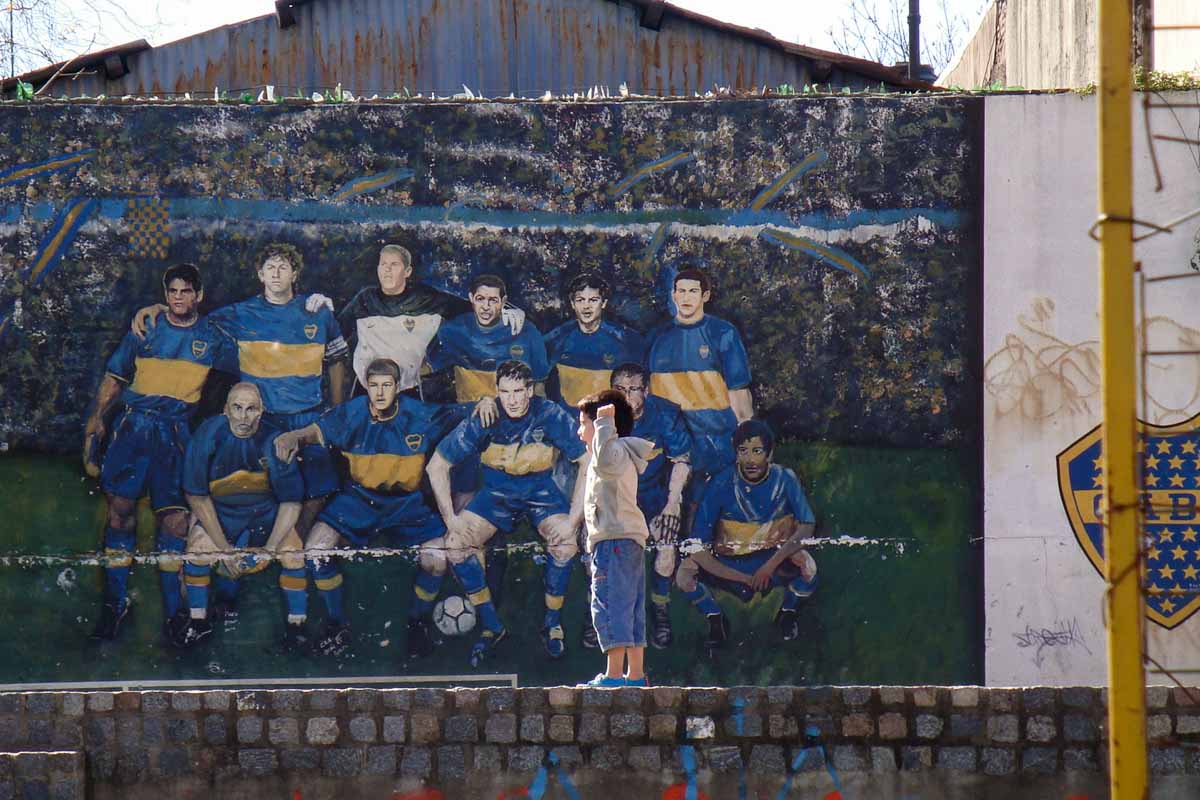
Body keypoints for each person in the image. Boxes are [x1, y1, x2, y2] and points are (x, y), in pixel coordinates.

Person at [133, 243, 349, 536]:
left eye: (283, 267)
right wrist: (161, 307)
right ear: (260, 274)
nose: (276, 274)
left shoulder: (317, 313)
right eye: (270, 267)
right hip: (263, 419)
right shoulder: (241, 313)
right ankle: (260, 545)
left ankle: (292, 543)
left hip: (306, 417)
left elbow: (337, 360)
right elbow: (191, 320)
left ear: (294, 273)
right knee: (256, 488)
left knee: (318, 490)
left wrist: (336, 412)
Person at [273, 358, 475, 658]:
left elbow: (462, 414)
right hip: (358, 500)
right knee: (316, 550)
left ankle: (417, 623)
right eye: (374, 386)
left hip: (407, 504)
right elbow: (315, 432)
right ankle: (335, 623)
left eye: (387, 386)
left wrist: (484, 404)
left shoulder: (419, 415)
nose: (380, 393)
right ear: (366, 387)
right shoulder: (351, 414)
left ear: (398, 387)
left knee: (436, 559)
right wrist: (292, 436)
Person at [84, 263, 235, 642]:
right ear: (165, 295)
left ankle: (174, 612)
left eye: (186, 291)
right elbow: (115, 376)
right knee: (120, 514)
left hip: (177, 433)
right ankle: (115, 602)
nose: (179, 297)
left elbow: (242, 376)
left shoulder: (214, 338)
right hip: (134, 428)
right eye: (173, 291)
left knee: (174, 522)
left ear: (198, 295)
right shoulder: (145, 326)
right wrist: (98, 418)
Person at [426, 360, 587, 666]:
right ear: (496, 392)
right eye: (504, 392)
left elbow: (587, 461)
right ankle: (491, 625)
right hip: (497, 495)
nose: (511, 399)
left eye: (518, 391)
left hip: (541, 492)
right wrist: (452, 521)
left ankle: (552, 623)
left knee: (566, 544)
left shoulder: (549, 413)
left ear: (530, 390)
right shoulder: (486, 415)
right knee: (455, 545)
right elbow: (437, 465)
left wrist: (573, 520)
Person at [174, 383, 309, 650]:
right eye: (237, 408)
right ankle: (198, 622)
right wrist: (224, 549)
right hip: (222, 513)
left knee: (294, 553)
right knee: (197, 551)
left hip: (265, 515)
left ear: (262, 412)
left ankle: (297, 626)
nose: (244, 417)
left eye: (251, 409)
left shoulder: (276, 441)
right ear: (226, 410)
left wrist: (270, 549)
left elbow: (291, 503)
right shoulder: (207, 435)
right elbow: (197, 497)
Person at [675, 420, 818, 649]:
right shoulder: (721, 482)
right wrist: (742, 578)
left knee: (808, 566)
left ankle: (788, 612)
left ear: (769, 454)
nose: (750, 459)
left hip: (771, 559)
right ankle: (715, 618)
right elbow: (697, 546)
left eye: (757, 451)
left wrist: (769, 566)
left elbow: (806, 526)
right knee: (684, 574)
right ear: (736, 453)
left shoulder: (785, 478)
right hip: (730, 561)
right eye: (743, 451)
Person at [335, 244, 525, 397]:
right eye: (383, 264)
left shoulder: (428, 299)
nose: (387, 270)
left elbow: (475, 307)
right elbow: (334, 332)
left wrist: (507, 310)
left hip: (412, 391)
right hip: (369, 391)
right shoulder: (364, 300)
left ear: (407, 271)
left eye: (394, 265)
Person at [604, 362, 692, 650]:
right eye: (619, 390)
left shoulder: (665, 414)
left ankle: (660, 608)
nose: (626, 397)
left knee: (667, 542)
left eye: (633, 390)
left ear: (647, 390)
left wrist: (672, 504)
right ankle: (601, 614)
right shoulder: (600, 417)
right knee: (595, 547)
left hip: (653, 496)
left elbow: (681, 461)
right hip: (615, 497)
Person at [646, 267, 753, 497]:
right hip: (671, 447)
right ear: (673, 295)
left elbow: (739, 395)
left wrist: (745, 441)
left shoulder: (723, 333)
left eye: (693, 291)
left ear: (705, 296)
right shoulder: (657, 337)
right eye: (681, 291)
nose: (686, 297)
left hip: (716, 443)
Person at [576, 389, 656, 687]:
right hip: (627, 539)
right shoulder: (619, 452)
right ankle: (634, 674)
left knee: (610, 603)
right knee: (631, 606)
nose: (578, 431)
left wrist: (604, 423)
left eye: (584, 423)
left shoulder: (611, 452)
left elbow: (604, 462)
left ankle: (613, 674)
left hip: (614, 542)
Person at [426, 273, 549, 403]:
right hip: (469, 413)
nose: (486, 306)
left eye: (493, 300)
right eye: (480, 299)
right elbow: (432, 369)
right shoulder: (451, 330)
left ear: (503, 302)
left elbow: (539, 386)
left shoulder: (527, 332)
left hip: (514, 413)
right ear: (471, 298)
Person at [544, 273, 645, 417]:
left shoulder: (625, 339)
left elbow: (640, 387)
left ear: (603, 303)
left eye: (593, 300)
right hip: (570, 422)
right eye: (580, 300)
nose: (586, 306)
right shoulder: (557, 339)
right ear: (572, 303)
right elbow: (539, 383)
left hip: (612, 421)